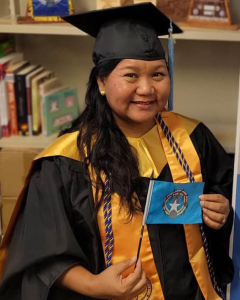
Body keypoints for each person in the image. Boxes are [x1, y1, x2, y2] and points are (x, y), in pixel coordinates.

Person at [0, 3, 234, 300]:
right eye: (131, 76)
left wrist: (222, 212)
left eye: (158, 75)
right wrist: (94, 286)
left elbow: (222, 196)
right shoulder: (67, 159)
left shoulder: (193, 137)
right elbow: (40, 252)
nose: (147, 89)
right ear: (101, 81)